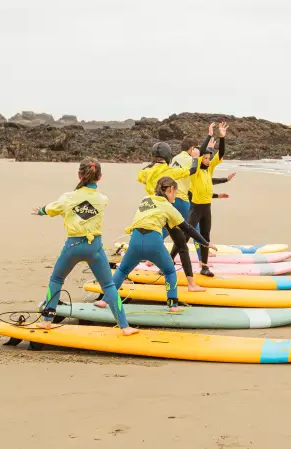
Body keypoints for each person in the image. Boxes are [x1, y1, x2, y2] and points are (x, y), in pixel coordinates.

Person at [32, 158, 137, 334]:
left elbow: (51, 209)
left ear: (79, 175)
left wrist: (41, 210)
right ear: (100, 177)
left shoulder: (68, 198)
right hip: (94, 248)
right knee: (109, 286)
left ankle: (47, 320)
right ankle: (124, 326)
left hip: (73, 246)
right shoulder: (103, 199)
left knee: (57, 279)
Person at [95, 176, 216, 312]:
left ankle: (104, 300)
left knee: (122, 270)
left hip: (135, 240)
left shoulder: (145, 200)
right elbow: (187, 228)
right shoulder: (168, 207)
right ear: (170, 190)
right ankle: (172, 305)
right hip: (153, 242)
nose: (175, 196)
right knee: (169, 271)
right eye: (175, 192)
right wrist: (205, 243)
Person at [137, 139, 205, 291]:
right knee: (183, 240)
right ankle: (201, 264)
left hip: (149, 210)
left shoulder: (146, 172)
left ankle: (148, 258)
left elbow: (141, 175)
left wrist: (152, 165)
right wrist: (195, 158)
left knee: (160, 233)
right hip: (166, 208)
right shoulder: (170, 171)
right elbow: (192, 171)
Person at [188, 122, 236, 276]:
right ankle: (169, 260)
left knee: (205, 237)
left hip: (206, 208)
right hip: (195, 208)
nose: (208, 160)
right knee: (185, 236)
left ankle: (204, 266)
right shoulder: (195, 171)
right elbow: (201, 152)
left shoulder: (209, 170)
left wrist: (222, 137)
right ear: (201, 158)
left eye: (209, 158)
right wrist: (209, 135)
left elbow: (220, 154)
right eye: (206, 158)